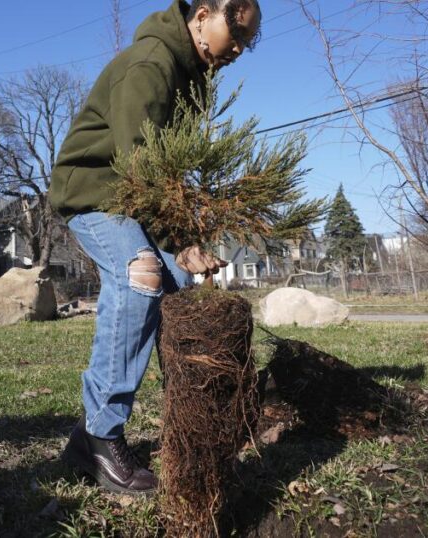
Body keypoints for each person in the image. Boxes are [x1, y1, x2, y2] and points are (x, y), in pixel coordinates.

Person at [50, 0, 262, 494]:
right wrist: (178, 239)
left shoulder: (194, 75)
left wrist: (187, 244)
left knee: (180, 283)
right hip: (93, 192)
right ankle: (102, 437)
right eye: (237, 31)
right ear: (204, 12)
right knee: (141, 272)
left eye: (249, 41)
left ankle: (179, 424)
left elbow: (169, 172)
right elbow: (141, 166)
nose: (240, 47)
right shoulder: (152, 62)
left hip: (132, 196)